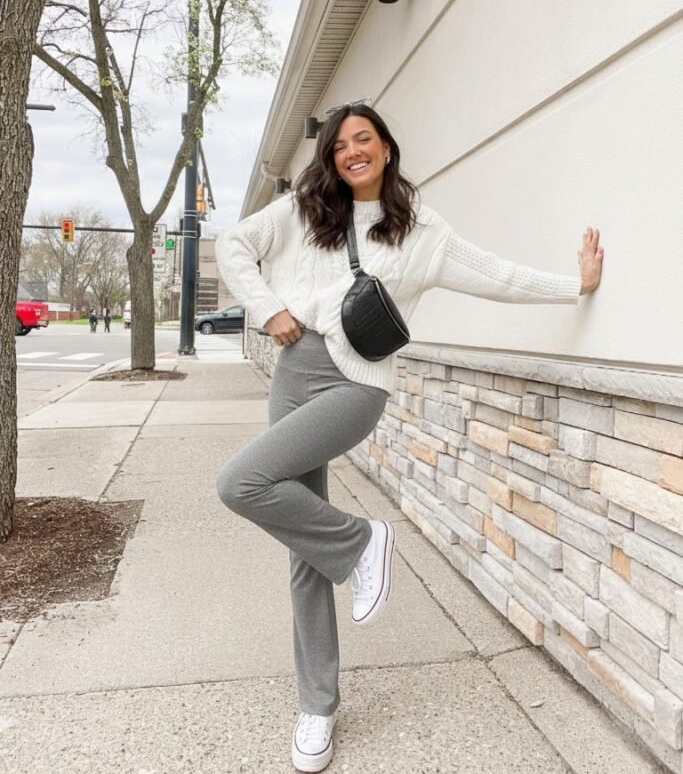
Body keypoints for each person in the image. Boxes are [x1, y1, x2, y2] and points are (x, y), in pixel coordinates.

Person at [215, 101, 604, 773]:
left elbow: (497, 275)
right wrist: (269, 309)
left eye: (363, 139)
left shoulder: (421, 230)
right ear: (330, 158)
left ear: (386, 147)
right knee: (303, 549)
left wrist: (575, 286)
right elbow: (232, 246)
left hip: (354, 384)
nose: (352, 151)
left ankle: (364, 541)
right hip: (293, 372)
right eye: (340, 145)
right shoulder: (303, 211)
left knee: (239, 483)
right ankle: (317, 706)